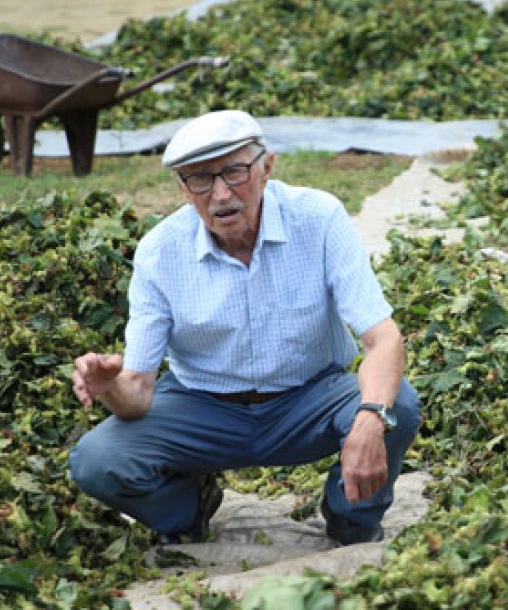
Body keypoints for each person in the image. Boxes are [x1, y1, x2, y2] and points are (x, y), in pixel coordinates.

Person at [68, 110, 420, 546]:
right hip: (204, 408)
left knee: (395, 405)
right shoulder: (160, 253)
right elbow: (138, 392)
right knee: (97, 460)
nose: (220, 194)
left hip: (308, 400)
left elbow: (382, 338)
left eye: (234, 172)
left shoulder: (319, 218)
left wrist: (369, 420)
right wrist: (110, 386)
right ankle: (187, 509)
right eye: (199, 179)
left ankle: (351, 515)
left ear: (266, 166)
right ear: (182, 188)